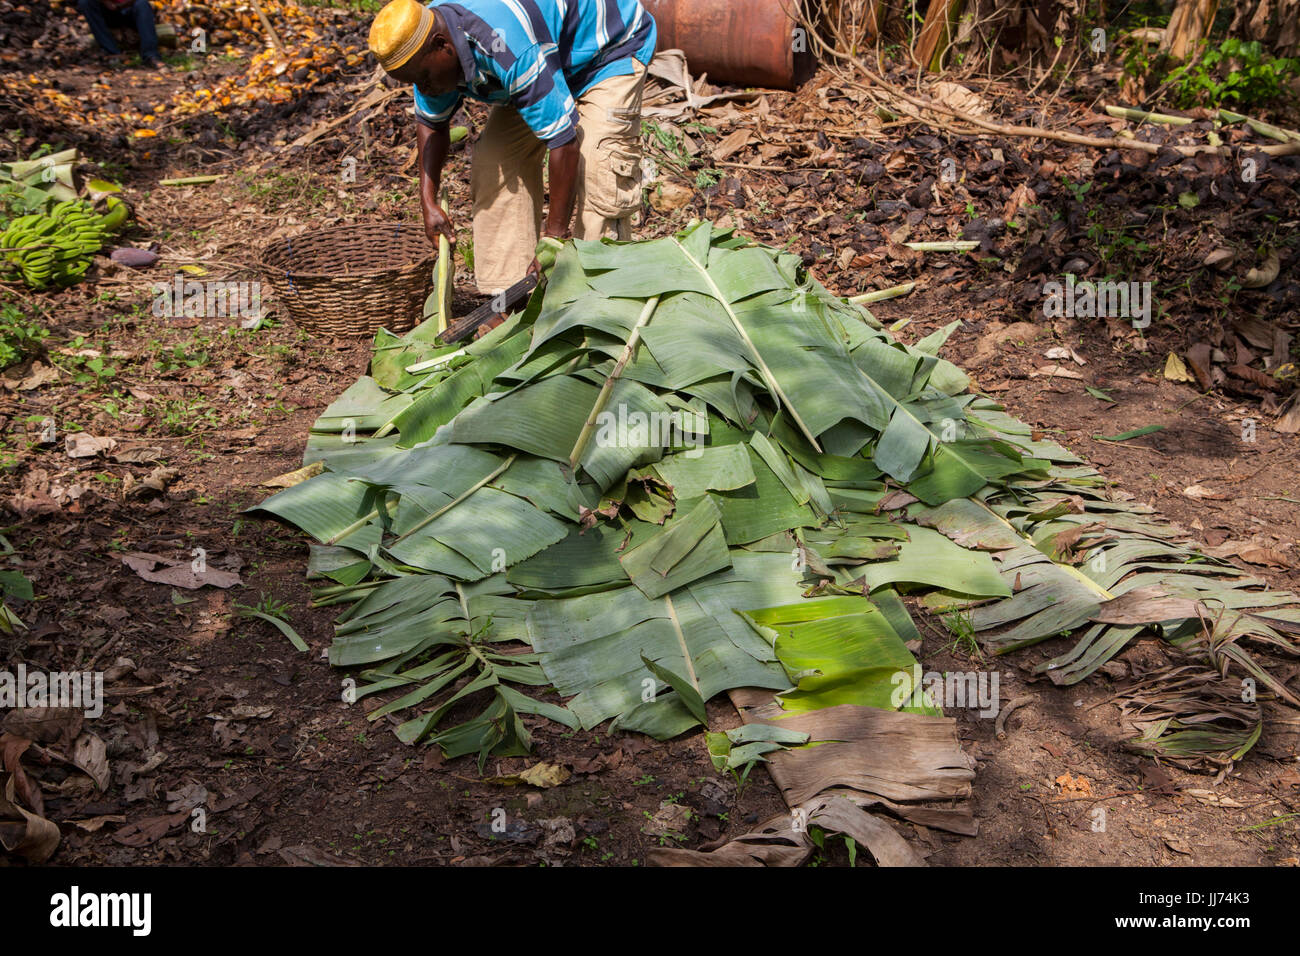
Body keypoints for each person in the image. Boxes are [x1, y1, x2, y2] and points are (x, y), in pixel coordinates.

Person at [368, 0, 656, 294]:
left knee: (597, 166)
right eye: (416, 83)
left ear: (443, 45)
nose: (424, 89)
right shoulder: (425, 48)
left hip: (607, 50)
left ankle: (598, 302)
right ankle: (509, 296)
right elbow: (432, 124)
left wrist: (553, 238)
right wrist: (428, 203)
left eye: (425, 80)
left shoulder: (503, 45)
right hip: (543, 55)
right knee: (495, 160)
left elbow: (564, 142)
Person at [77, 0, 165, 70]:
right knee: (85, 2)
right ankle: (111, 51)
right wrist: (106, 2)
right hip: (108, 13)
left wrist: (119, 6)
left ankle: (150, 55)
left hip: (130, 9)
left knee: (143, 4)